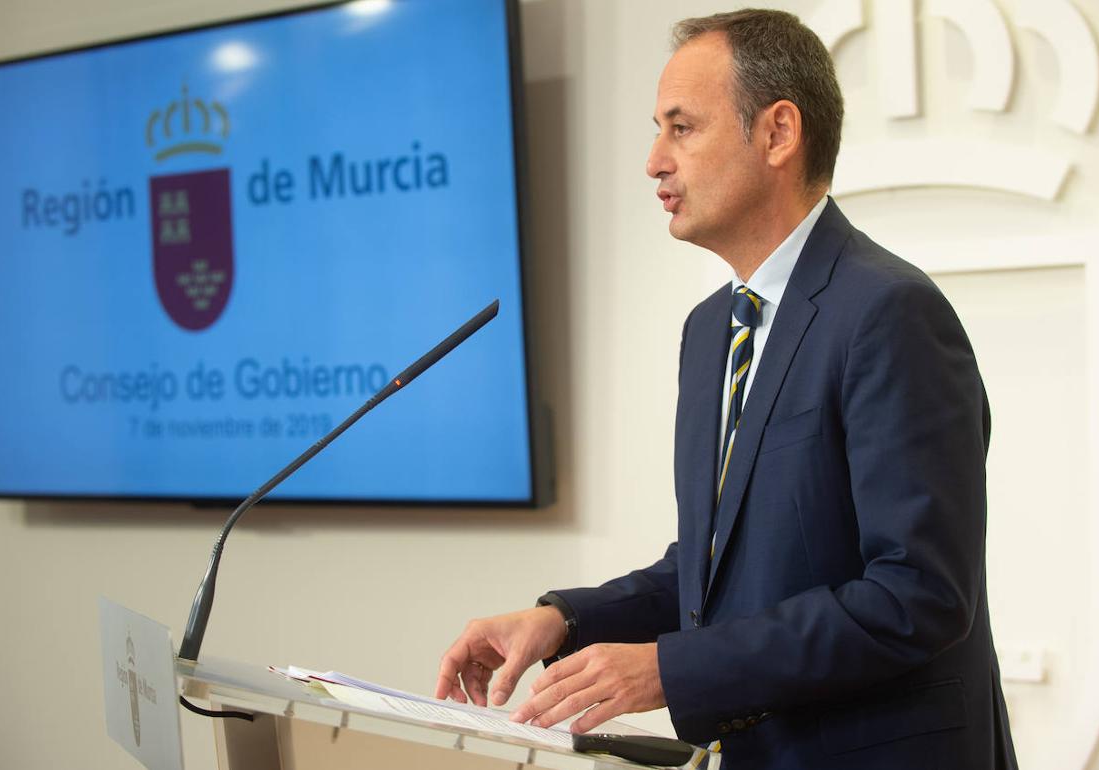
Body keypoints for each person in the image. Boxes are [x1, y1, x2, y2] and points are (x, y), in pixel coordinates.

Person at [435, 9, 1018, 769]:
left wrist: (669, 669)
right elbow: (716, 571)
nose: (652, 161)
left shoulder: (887, 312)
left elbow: (917, 596)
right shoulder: (713, 329)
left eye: (682, 128)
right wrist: (560, 620)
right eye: (656, 129)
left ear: (778, 133)